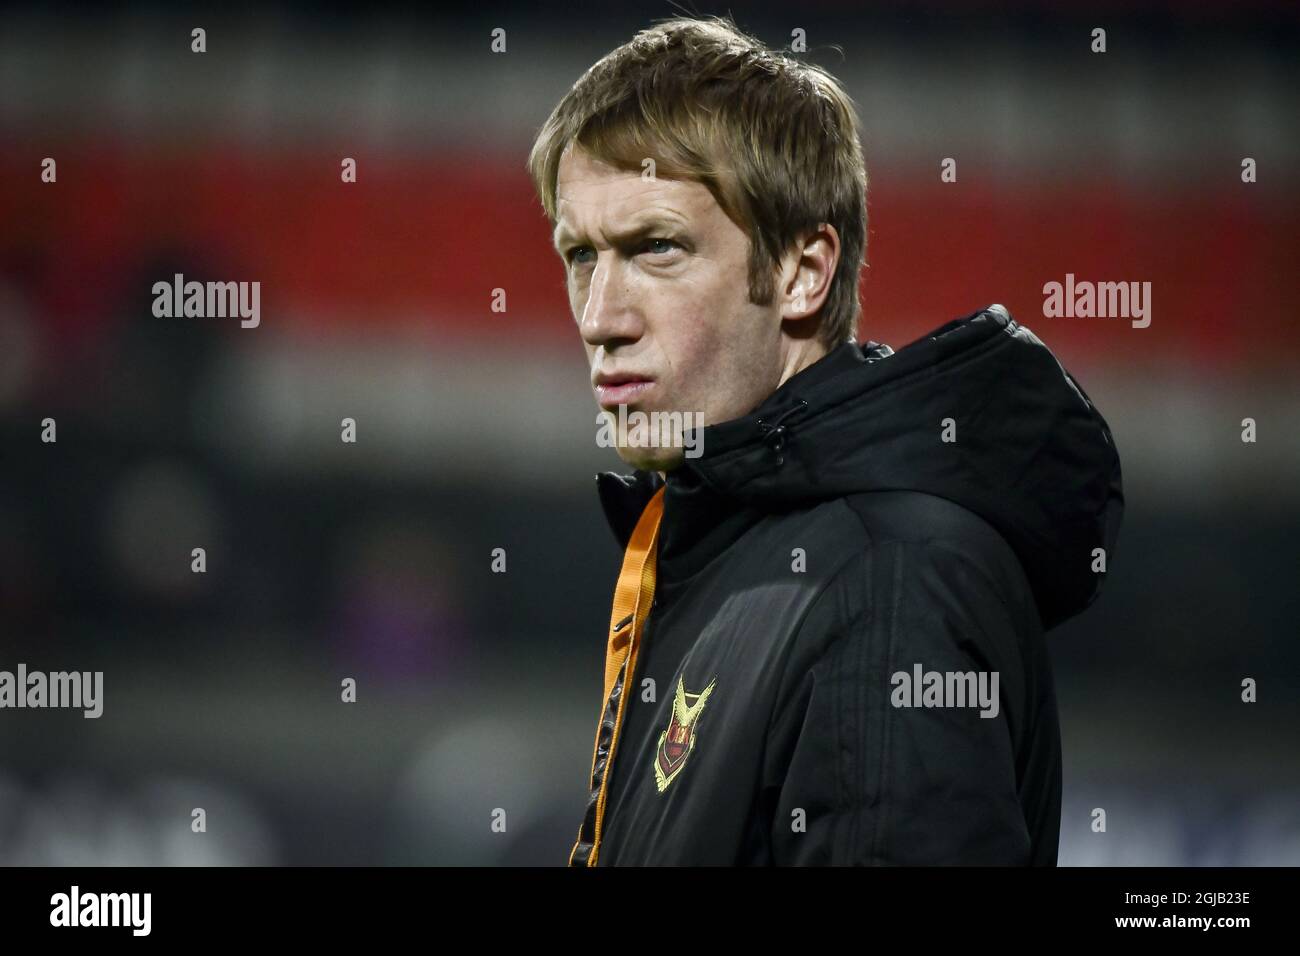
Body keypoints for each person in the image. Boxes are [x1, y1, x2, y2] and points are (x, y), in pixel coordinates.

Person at [526, 15, 1123, 866]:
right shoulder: (732, 544)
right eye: (580, 255)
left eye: (656, 247)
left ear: (803, 272)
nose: (599, 319)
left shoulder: (887, 582)